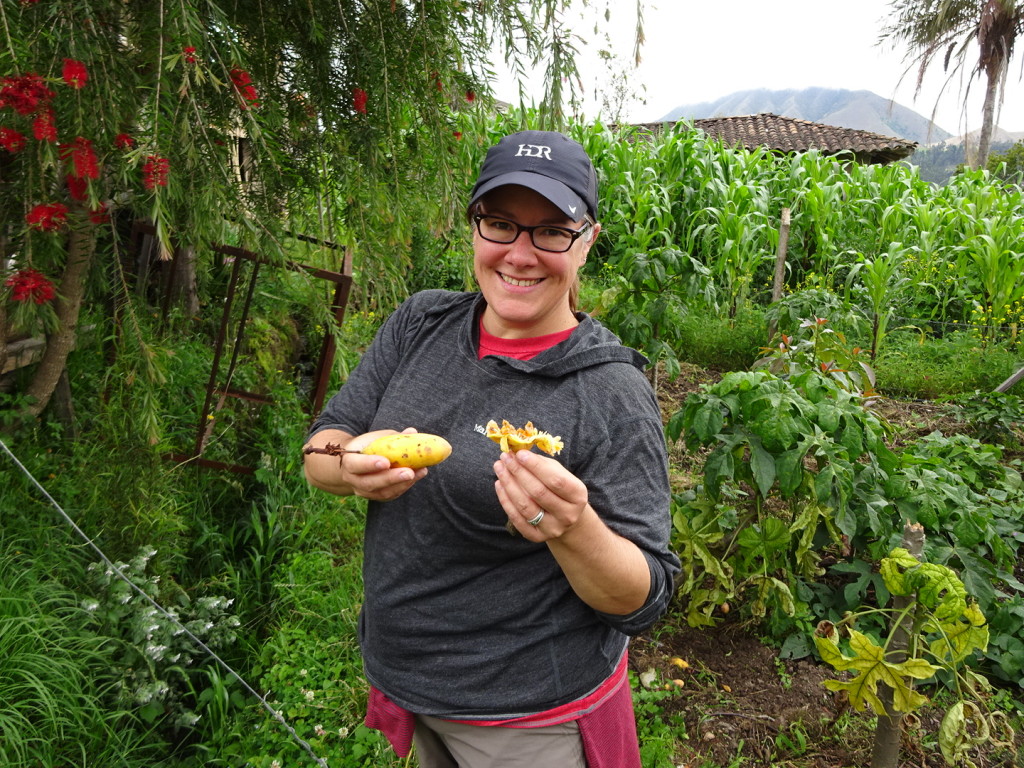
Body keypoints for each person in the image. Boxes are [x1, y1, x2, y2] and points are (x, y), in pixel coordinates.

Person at [303, 129, 680, 768]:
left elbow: (645, 597)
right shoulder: (421, 322)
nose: (521, 254)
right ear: (475, 228)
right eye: (501, 224)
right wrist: (349, 468)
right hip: (413, 686)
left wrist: (573, 529)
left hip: (531, 720)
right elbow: (324, 444)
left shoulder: (610, 391)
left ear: (586, 240)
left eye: (551, 231)